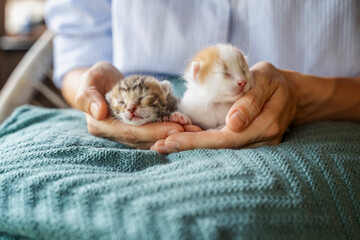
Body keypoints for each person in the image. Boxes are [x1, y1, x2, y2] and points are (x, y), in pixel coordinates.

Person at [45, 0, 360, 153]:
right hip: (126, 122)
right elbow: (78, 47)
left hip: (327, 127)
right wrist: (96, 99)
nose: (239, 81)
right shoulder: (182, 97)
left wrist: (307, 95)